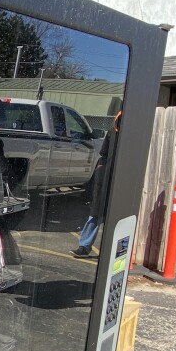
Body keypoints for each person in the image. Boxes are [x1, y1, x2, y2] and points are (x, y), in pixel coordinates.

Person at [75, 108, 121, 256]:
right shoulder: (112, 132)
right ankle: (84, 246)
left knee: (116, 218)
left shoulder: (131, 135)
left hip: (120, 180)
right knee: (95, 213)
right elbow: (103, 153)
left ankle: (114, 251)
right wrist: (100, 170)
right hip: (105, 176)